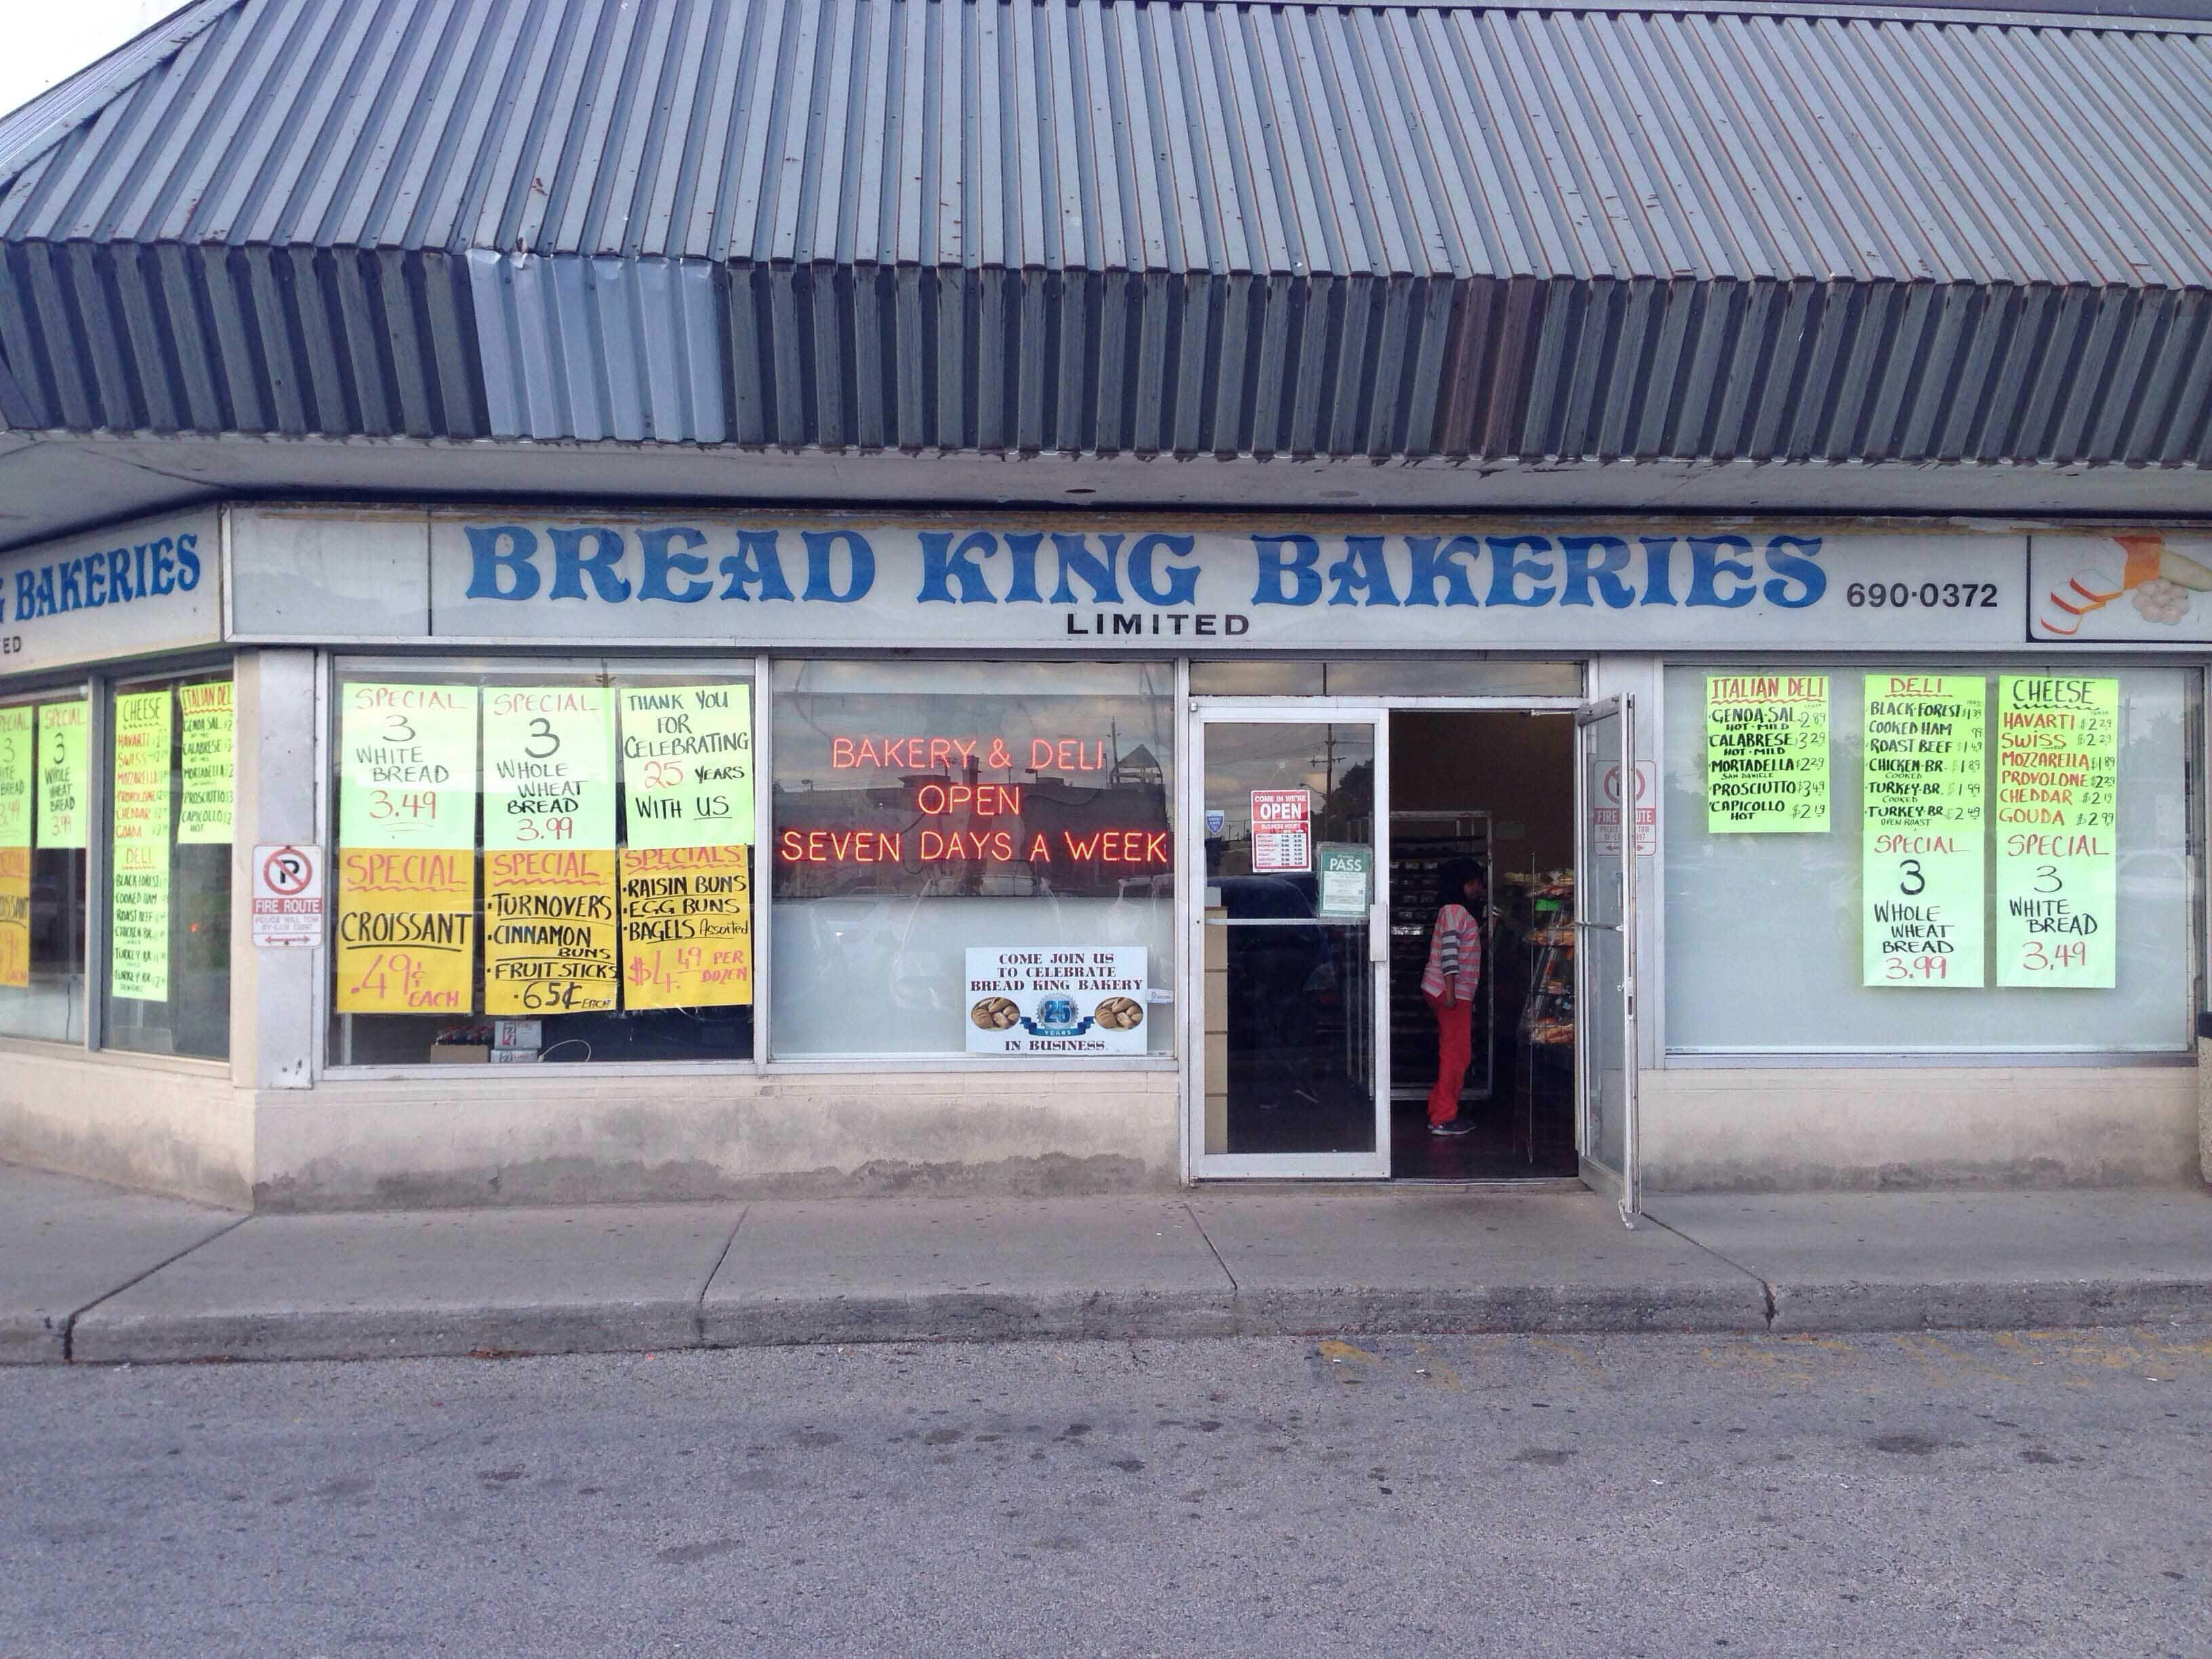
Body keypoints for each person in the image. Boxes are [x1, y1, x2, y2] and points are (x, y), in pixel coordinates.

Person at [1420, 858, 1486, 1136]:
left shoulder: (1451, 911)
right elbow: (1450, 952)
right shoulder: (1456, 911)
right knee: (1457, 1055)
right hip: (1453, 993)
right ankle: (1443, 1117)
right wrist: (1450, 992)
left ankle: (1438, 1107)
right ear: (1463, 884)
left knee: (1454, 1052)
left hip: (1448, 991)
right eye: (1475, 883)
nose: (1478, 889)